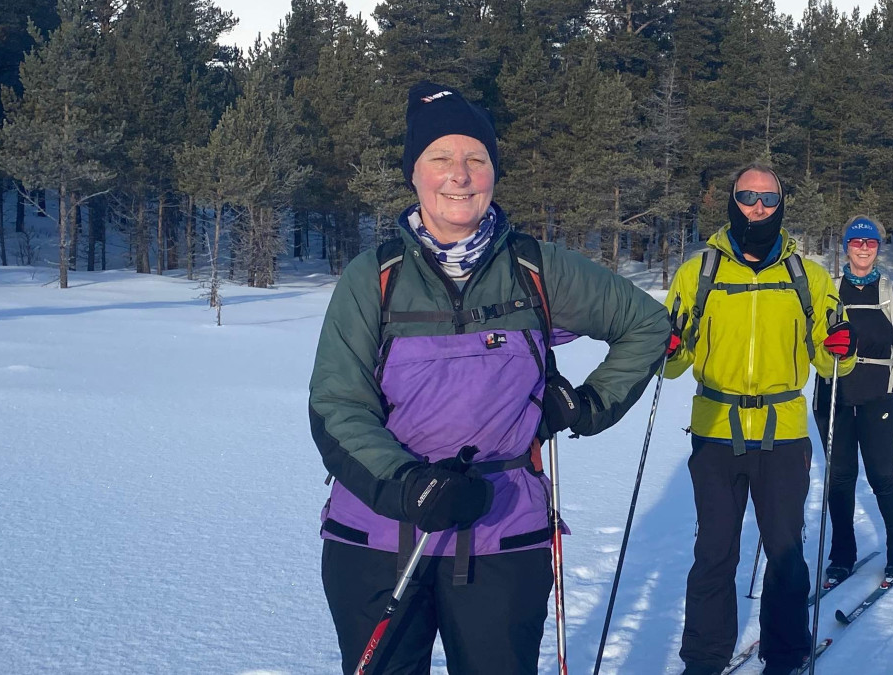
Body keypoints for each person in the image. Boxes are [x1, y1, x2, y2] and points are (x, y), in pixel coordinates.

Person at [308, 82, 669, 675]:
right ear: (414, 173)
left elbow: (646, 324)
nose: (460, 175)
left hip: (503, 534)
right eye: (440, 158)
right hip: (379, 537)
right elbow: (336, 405)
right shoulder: (373, 277)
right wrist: (409, 487)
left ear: (494, 173)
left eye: (475, 159)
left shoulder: (536, 268)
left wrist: (584, 405)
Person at [663, 164, 855, 675]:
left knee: (785, 552)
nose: (758, 207)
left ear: (782, 205)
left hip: (783, 434)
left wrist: (843, 346)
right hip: (715, 431)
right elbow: (673, 364)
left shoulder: (808, 276)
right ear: (732, 200)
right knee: (714, 553)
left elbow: (830, 362)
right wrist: (669, 345)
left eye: (769, 199)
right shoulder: (698, 273)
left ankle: (786, 655)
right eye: (747, 196)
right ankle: (704, 660)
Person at [812, 216, 893, 589]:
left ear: (878, 248)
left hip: (879, 396)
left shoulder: (891, 292)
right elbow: (811, 338)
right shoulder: (828, 290)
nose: (863, 249)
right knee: (840, 479)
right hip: (834, 395)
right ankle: (842, 556)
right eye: (857, 243)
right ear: (846, 247)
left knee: (881, 476)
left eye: (870, 243)